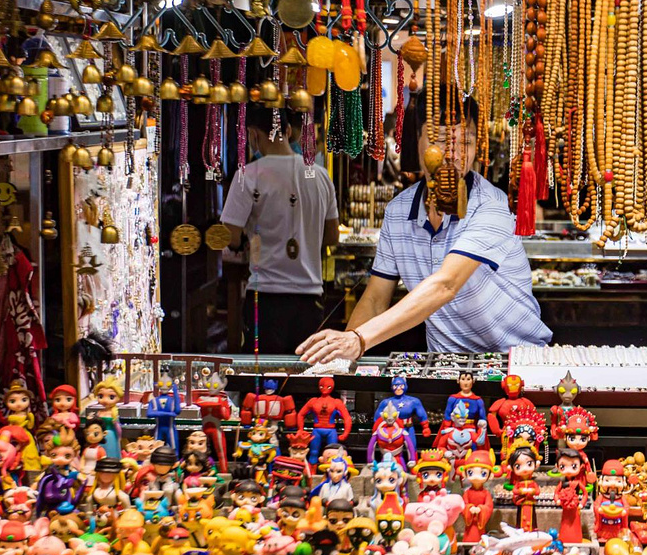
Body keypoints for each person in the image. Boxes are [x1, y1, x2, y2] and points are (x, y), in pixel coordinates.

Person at [298, 90, 551, 362]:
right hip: (445, 366)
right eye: (441, 140)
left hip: (513, 362)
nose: (454, 154)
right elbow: (374, 299)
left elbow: (446, 284)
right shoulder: (397, 212)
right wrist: (340, 356)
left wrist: (359, 340)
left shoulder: (491, 205)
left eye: (465, 141)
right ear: (415, 141)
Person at [222, 106, 340, 354]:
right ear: (288, 130)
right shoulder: (319, 175)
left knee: (264, 382)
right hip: (310, 297)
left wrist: (247, 237)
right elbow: (332, 237)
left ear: (253, 134)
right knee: (307, 378)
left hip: (266, 296)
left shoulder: (248, 175)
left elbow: (229, 236)